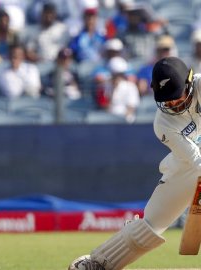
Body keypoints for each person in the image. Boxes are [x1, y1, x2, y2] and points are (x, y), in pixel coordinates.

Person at [68, 56, 197, 269]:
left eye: (176, 96)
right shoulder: (163, 123)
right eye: (167, 100)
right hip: (186, 165)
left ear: (189, 83)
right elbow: (194, 159)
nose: (173, 104)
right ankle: (98, 264)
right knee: (148, 228)